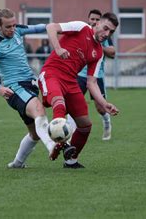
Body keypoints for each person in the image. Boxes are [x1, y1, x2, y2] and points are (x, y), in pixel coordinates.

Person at [0, 8, 75, 169]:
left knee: (35, 133)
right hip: (14, 89)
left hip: (29, 85)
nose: (12, 29)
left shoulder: (17, 31)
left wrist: (65, 28)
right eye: (8, 27)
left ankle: (17, 163)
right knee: (39, 110)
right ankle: (53, 146)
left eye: (14, 25)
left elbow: (41, 27)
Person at [38, 12, 120, 169]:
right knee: (59, 103)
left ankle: (70, 161)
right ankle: (61, 144)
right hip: (52, 74)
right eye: (105, 28)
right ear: (97, 23)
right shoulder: (81, 27)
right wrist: (58, 48)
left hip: (71, 82)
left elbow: (92, 82)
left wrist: (104, 103)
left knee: (85, 125)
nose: (107, 34)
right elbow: (51, 27)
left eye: (111, 32)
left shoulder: (99, 52)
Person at [76, 9, 116, 140]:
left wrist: (97, 47)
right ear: (88, 19)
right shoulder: (83, 31)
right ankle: (68, 134)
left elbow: (112, 52)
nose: (94, 21)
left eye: (97, 19)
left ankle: (106, 123)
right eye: (92, 19)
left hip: (96, 76)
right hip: (80, 74)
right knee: (73, 104)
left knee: (100, 108)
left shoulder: (103, 36)